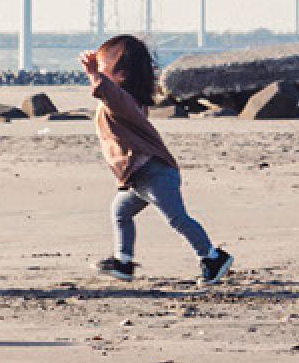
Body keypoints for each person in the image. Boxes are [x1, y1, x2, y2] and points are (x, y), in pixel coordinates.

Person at [82, 34, 233, 284]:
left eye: (102, 64)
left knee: (177, 219)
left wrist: (93, 76)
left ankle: (212, 257)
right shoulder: (126, 102)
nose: (97, 68)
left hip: (154, 173)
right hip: (138, 177)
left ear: (122, 75)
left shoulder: (123, 101)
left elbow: (106, 92)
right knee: (120, 211)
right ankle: (124, 261)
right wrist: (98, 75)